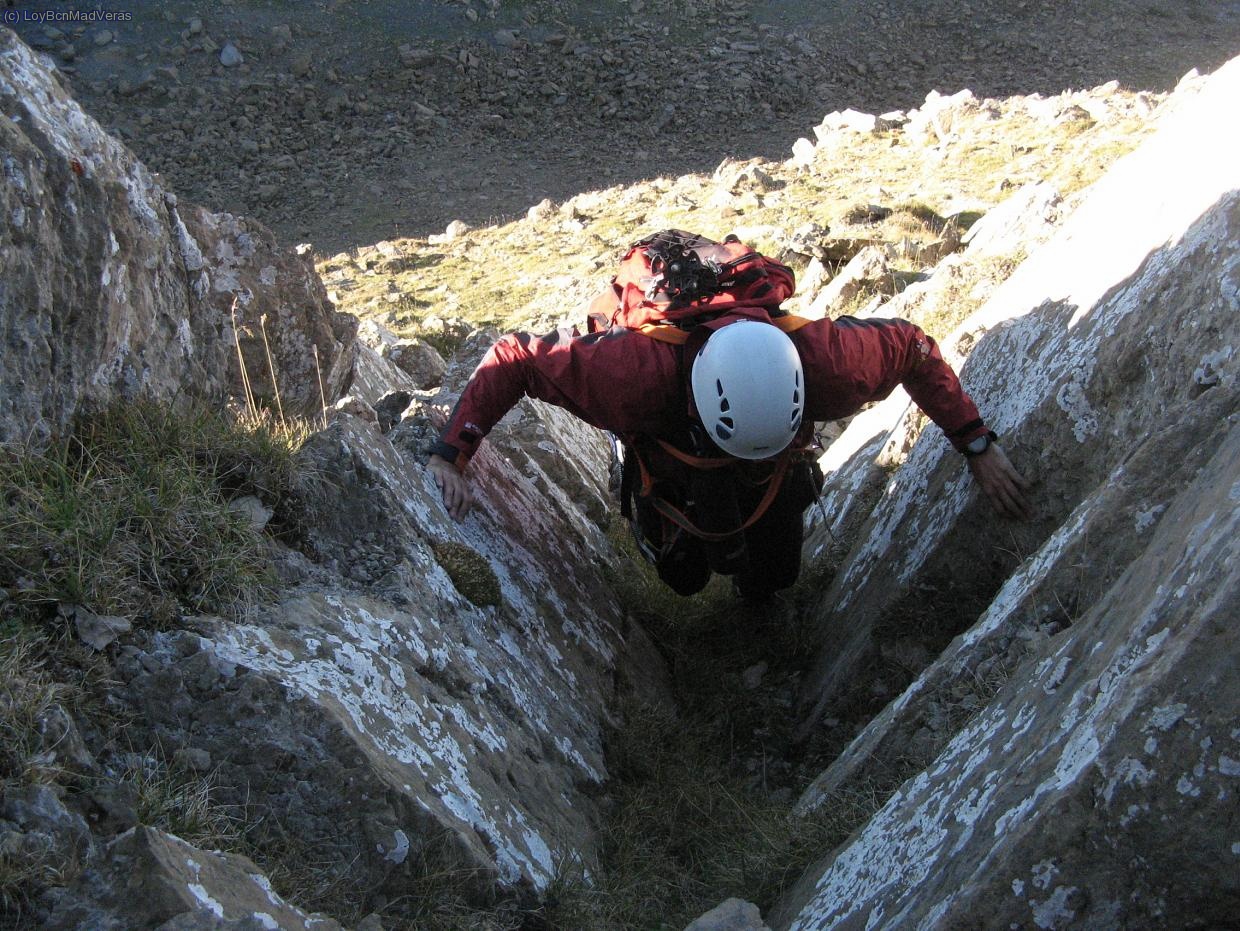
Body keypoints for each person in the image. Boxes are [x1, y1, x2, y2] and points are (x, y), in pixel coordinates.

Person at [427, 231, 1031, 600]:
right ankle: (642, 477)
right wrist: (452, 454)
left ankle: (762, 558)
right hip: (665, 419)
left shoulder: (828, 364)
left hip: (740, 419)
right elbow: (512, 357)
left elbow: (913, 346)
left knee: (776, 575)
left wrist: (977, 444)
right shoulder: (633, 377)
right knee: (682, 577)